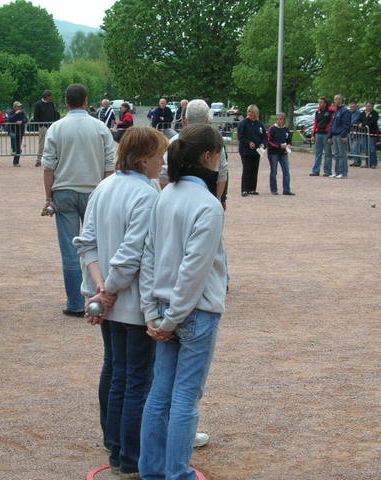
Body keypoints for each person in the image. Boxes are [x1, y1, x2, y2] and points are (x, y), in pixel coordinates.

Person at [74, 126, 168, 478]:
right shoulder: (147, 194)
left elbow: (87, 243)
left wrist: (99, 288)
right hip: (132, 305)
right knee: (135, 381)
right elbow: (131, 254)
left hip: (108, 303)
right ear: (143, 158)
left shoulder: (105, 186)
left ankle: (115, 448)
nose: (162, 163)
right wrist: (109, 289)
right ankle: (130, 458)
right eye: (159, 156)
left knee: (116, 374)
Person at [138, 123, 227, 480]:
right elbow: (194, 270)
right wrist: (171, 318)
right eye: (219, 153)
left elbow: (149, 256)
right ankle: (177, 473)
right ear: (208, 156)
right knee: (185, 398)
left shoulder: (165, 195)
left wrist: (153, 313)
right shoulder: (208, 205)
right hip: (193, 312)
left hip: (165, 308)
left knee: (160, 394)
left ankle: (152, 470)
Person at [42, 83, 115, 317]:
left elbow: (48, 166)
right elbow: (109, 166)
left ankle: (74, 302)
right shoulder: (100, 128)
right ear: (86, 101)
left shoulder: (56, 128)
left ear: (66, 102)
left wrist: (48, 197)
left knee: (69, 249)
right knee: (99, 246)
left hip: (64, 190)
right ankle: (101, 294)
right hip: (95, 191)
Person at [237, 104, 267, 196]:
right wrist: (248, 142)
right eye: (249, 111)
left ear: (256, 113)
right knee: (247, 169)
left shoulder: (260, 124)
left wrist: (263, 144)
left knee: (254, 169)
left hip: (257, 151)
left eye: (252, 112)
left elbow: (264, 137)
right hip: (245, 151)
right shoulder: (243, 123)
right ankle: (244, 189)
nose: (250, 113)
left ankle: (252, 189)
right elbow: (240, 136)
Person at [267, 113, 294, 195]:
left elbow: (289, 140)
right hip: (273, 153)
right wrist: (279, 146)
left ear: (284, 120)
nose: (279, 121)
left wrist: (289, 145)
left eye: (281, 119)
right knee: (274, 171)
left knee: (286, 171)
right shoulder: (272, 128)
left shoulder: (286, 129)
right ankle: (274, 189)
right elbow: (269, 141)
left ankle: (286, 189)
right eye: (277, 119)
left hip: (283, 153)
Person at [33, 90, 60, 167]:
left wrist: (55, 123)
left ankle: (55, 159)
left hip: (52, 126)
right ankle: (38, 160)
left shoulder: (51, 104)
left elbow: (55, 114)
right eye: (51, 96)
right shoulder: (38, 104)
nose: (52, 98)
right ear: (47, 96)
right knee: (42, 143)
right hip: (43, 127)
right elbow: (36, 116)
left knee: (54, 142)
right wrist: (41, 125)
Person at [327, 94, 350, 179]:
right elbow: (332, 124)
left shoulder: (345, 111)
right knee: (336, 154)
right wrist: (330, 136)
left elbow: (346, 124)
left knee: (342, 154)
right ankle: (337, 172)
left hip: (340, 135)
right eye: (334, 99)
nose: (335, 101)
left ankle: (343, 172)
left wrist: (344, 135)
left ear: (340, 100)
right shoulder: (336, 111)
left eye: (336, 99)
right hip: (334, 135)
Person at [310, 97, 334, 176]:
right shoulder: (317, 112)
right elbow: (315, 124)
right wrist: (313, 135)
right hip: (318, 134)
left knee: (328, 153)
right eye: (319, 102)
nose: (320, 104)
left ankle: (327, 171)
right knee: (318, 153)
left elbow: (331, 123)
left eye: (321, 102)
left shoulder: (330, 111)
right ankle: (315, 171)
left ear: (325, 103)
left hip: (326, 134)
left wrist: (330, 136)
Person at [6, 101, 28, 167]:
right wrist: (15, 113)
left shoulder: (22, 112)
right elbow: (9, 119)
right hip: (12, 131)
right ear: (14, 107)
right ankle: (13, 149)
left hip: (20, 131)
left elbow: (26, 119)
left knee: (18, 147)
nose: (19, 107)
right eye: (18, 106)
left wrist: (21, 121)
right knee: (13, 137)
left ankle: (16, 162)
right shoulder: (10, 112)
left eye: (20, 106)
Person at [359, 102, 380, 168]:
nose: (369, 107)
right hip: (364, 133)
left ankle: (373, 163)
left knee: (372, 149)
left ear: (373, 106)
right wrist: (360, 124)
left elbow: (372, 122)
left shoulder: (375, 114)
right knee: (366, 149)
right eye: (367, 106)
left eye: (370, 106)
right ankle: (367, 163)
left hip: (372, 134)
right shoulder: (363, 113)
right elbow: (359, 120)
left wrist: (363, 124)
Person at [347, 102, 364, 167]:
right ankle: (355, 161)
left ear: (356, 107)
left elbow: (353, 121)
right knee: (352, 148)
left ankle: (357, 162)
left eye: (353, 107)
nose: (351, 108)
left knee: (355, 147)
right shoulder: (349, 113)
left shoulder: (358, 113)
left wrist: (348, 123)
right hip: (351, 132)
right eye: (350, 107)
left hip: (357, 133)